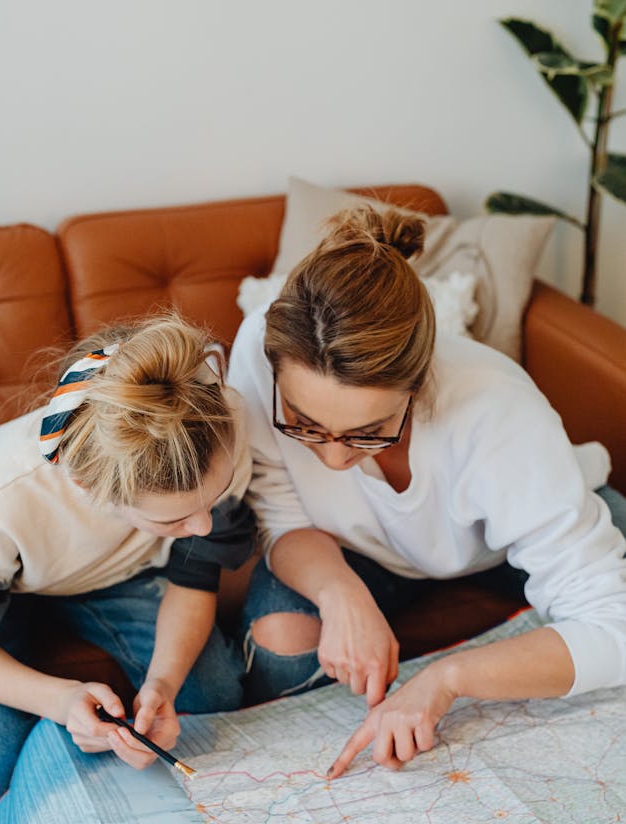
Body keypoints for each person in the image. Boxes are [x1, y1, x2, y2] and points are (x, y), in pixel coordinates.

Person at [227, 205, 626, 780]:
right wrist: (342, 595)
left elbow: (610, 625)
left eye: (368, 432)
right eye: (305, 423)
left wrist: (445, 680)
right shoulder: (259, 352)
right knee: (281, 650)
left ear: (419, 385)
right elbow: (281, 515)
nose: (335, 458)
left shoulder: (497, 411)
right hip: (357, 552)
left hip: (498, 543)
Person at [0, 314, 255, 824]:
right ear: (86, 487)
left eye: (211, 499)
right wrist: (60, 698)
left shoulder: (217, 426)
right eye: (172, 518)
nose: (206, 525)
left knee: (211, 691)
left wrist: (163, 684)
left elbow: (194, 582)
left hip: (112, 573)